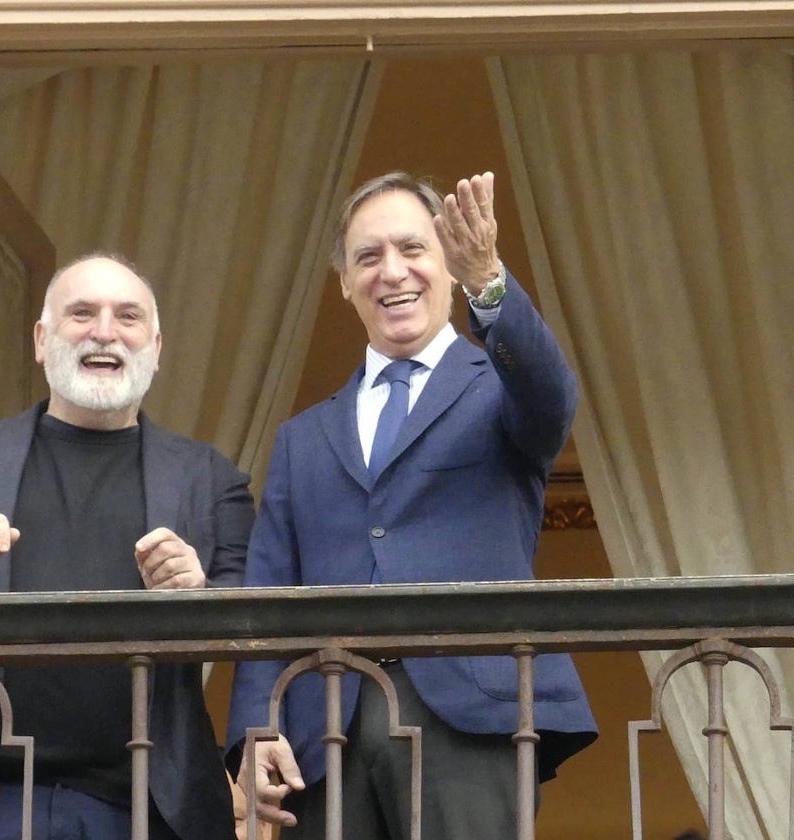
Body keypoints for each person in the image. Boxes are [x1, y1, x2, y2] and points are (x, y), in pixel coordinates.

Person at [226, 171, 598, 840]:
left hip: (467, 718)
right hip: (325, 732)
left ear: (449, 264)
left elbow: (552, 398)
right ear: (344, 282)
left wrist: (490, 279)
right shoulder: (302, 437)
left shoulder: (499, 391)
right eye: (368, 257)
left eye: (413, 249)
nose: (392, 271)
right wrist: (257, 730)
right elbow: (268, 597)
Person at [0, 254, 254, 840]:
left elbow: (257, 600)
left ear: (156, 346)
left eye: (128, 316)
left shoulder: (209, 476)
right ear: (42, 340)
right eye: (81, 313)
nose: (104, 331)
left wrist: (201, 591)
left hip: (144, 807)